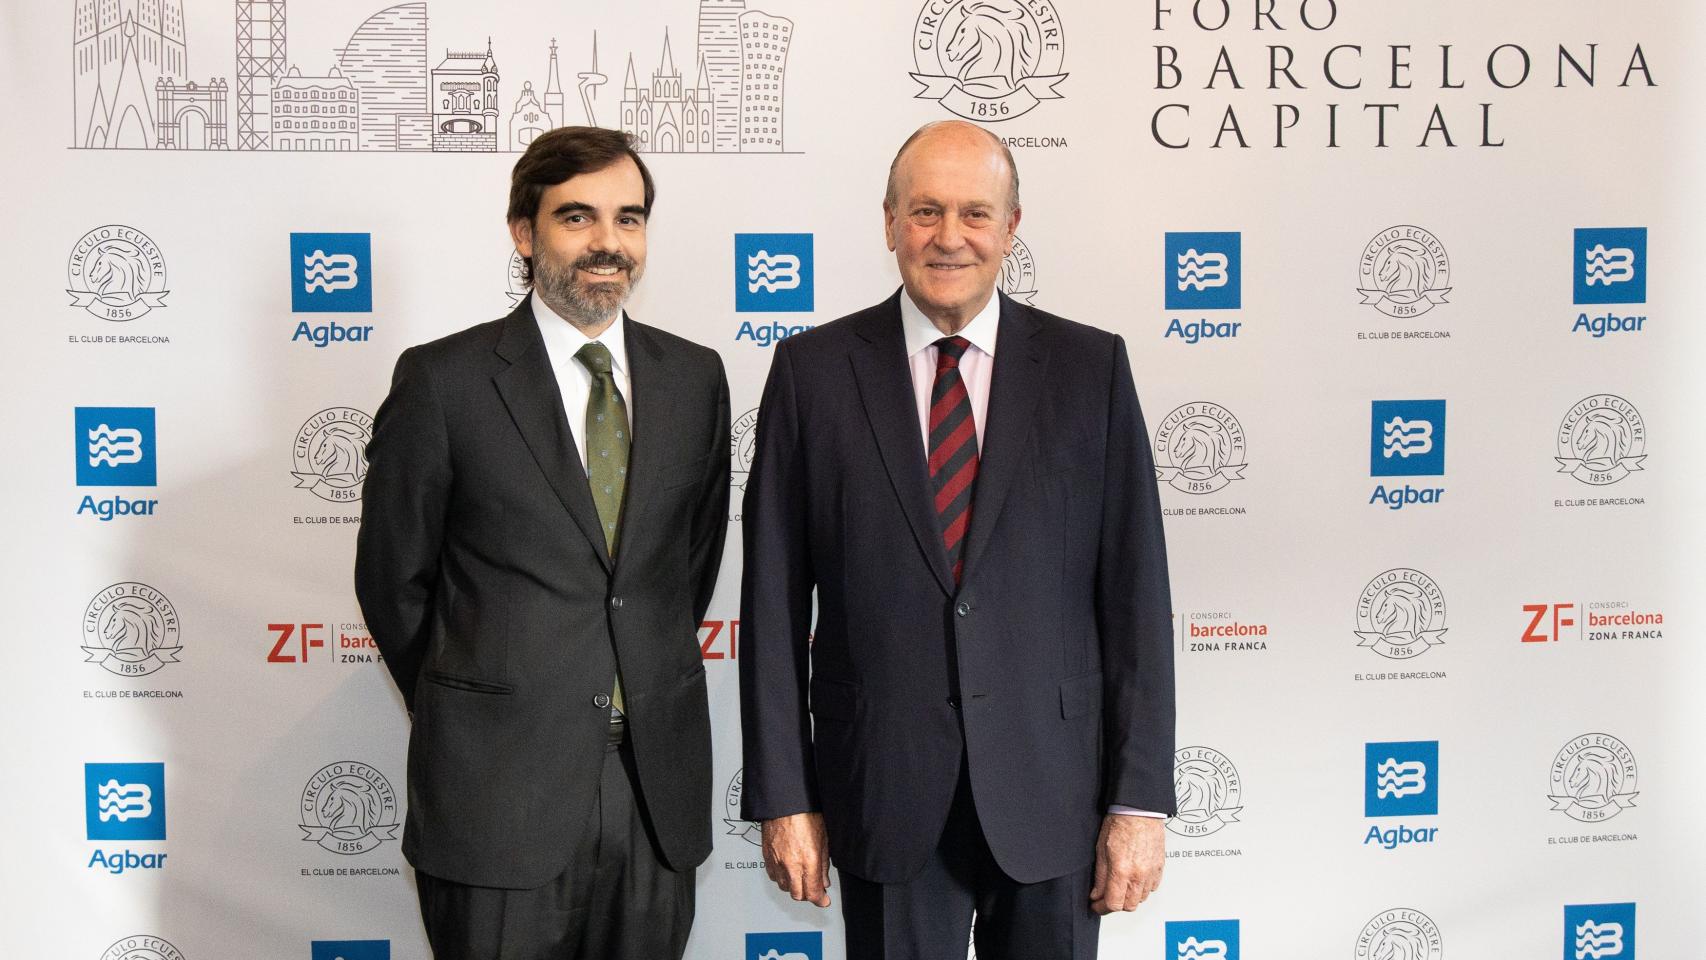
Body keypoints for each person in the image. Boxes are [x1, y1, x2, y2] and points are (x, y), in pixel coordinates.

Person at [739, 120, 1175, 959]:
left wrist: (1139, 802)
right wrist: (786, 799)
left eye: (975, 213)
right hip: (884, 793)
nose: (949, 237)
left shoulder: (1092, 371)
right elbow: (771, 604)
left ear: (1012, 226)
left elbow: (1136, 599)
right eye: (925, 211)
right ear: (889, 222)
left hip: (1055, 798)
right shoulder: (812, 374)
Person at [355, 126, 730, 960]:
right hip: (495, 794)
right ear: (524, 233)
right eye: (577, 218)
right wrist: (484, 699)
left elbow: (683, 571)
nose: (608, 243)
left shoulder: (695, 378)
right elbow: (394, 582)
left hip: (653, 794)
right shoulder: (444, 382)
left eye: (628, 219)